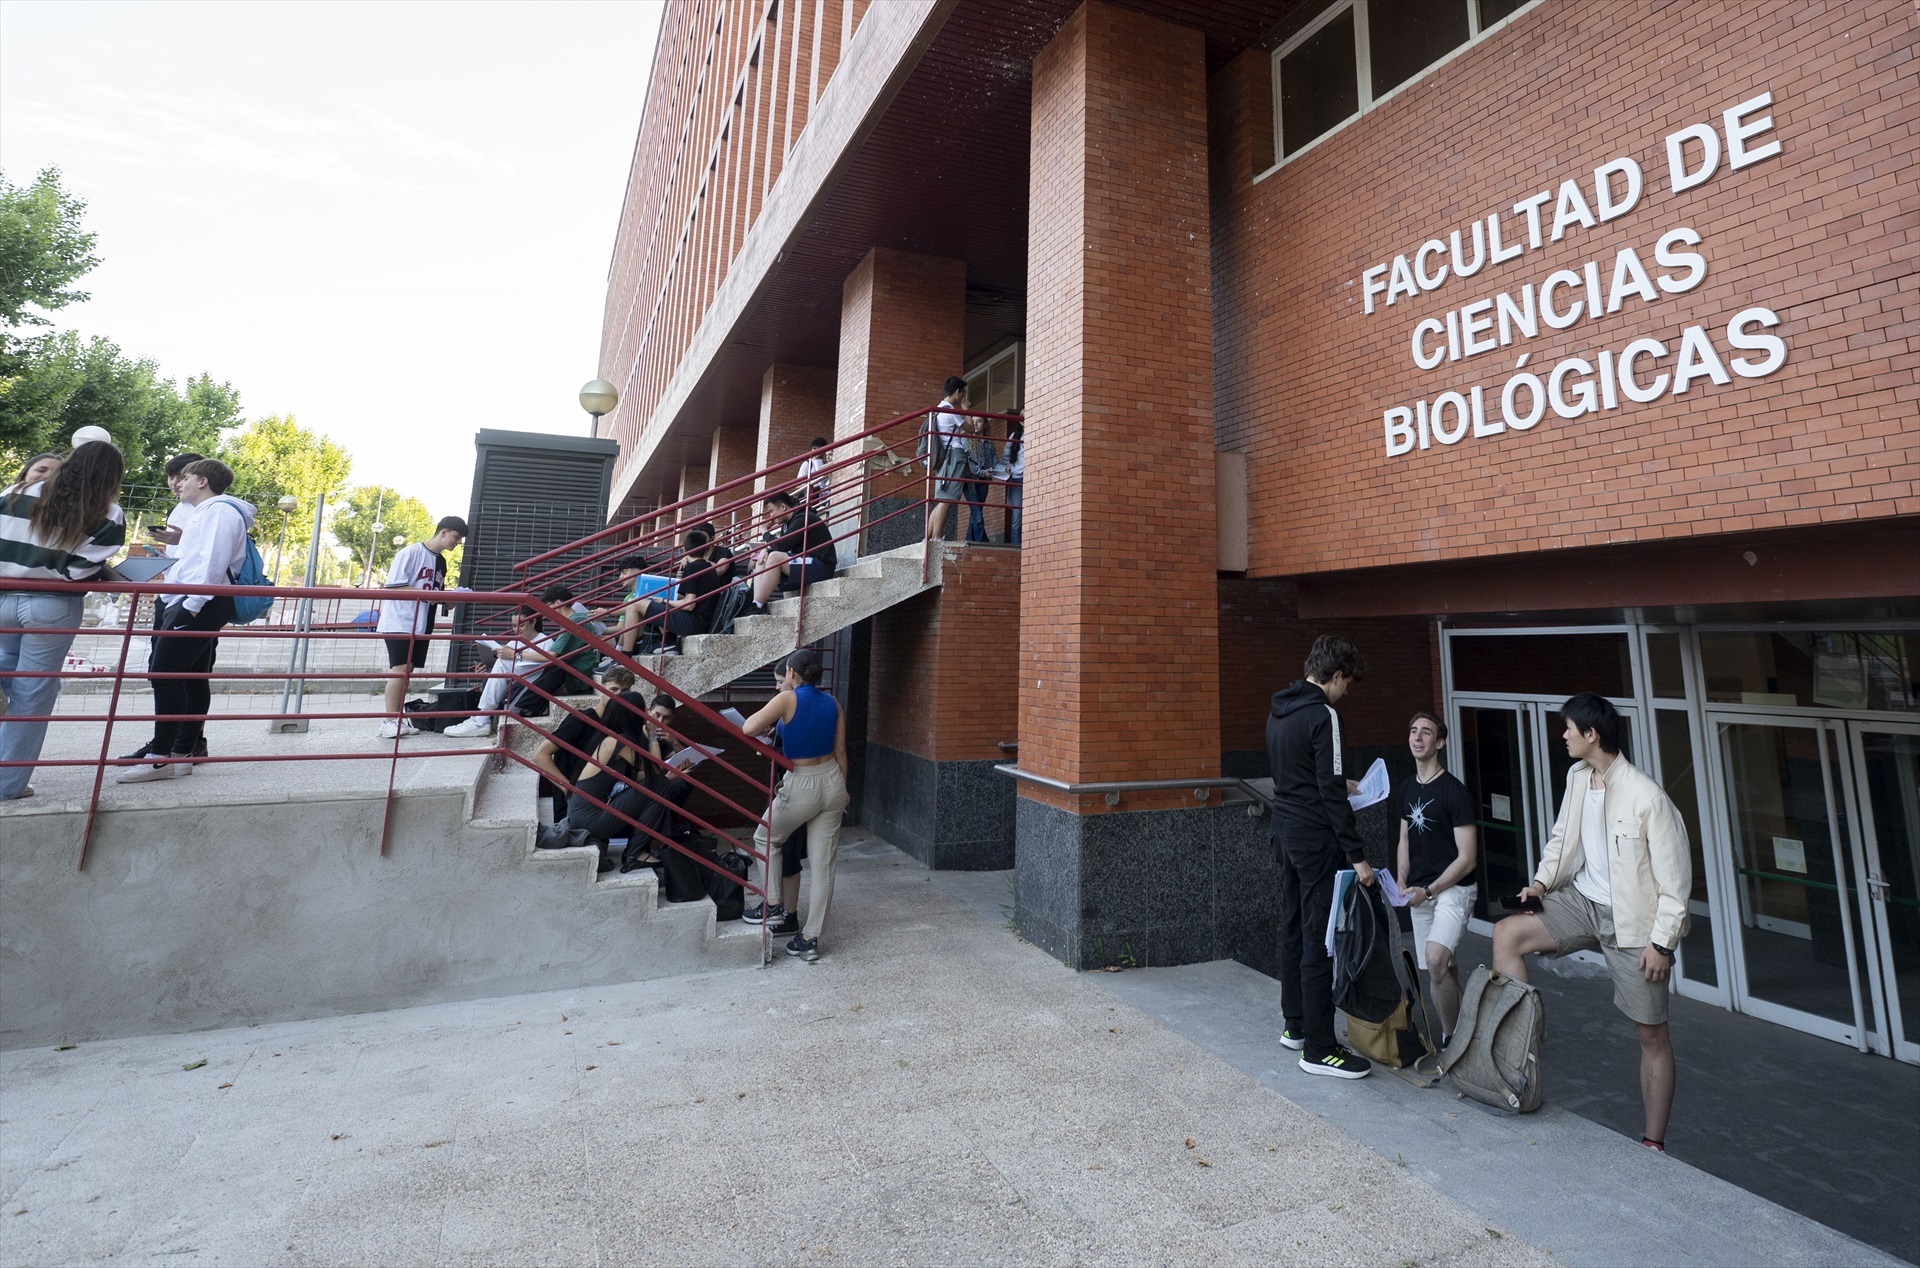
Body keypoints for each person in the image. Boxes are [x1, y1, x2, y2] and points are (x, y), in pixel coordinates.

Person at [1493, 692, 1690, 1154]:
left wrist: (1661, 945)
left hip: (1633, 923)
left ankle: (1652, 1143)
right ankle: (1524, 1046)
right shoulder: (1579, 776)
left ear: (1592, 734)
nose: (1563, 736)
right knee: (1508, 934)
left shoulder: (1647, 796)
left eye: (1568, 729)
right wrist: (1540, 886)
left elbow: (1675, 883)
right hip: (1582, 899)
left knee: (1652, 1034)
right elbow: (1564, 840)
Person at [1267, 634, 1376, 1079]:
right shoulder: (1324, 714)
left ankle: (1295, 1025)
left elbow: (1301, 778)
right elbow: (1329, 796)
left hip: (1284, 831)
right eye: (1346, 683)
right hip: (1316, 841)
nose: (1346, 691)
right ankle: (1319, 1049)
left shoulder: (1280, 712)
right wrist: (1358, 855)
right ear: (1335, 675)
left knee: (1293, 926)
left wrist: (1341, 783)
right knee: (1320, 938)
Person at [0, 442, 126, 800]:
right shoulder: (107, 512)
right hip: (52, 606)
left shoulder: (17, 491)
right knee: (34, 692)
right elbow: (79, 573)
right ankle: (7, 785)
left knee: (7, 666)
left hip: (3, 597)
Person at [117, 459, 254, 782]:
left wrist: (190, 605)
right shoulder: (208, 512)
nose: (179, 484)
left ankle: (160, 756)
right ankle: (179, 754)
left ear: (202, 481)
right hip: (190, 599)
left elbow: (212, 562)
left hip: (198, 602)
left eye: (185, 478)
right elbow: (199, 559)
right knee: (186, 674)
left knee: (165, 673)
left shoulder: (220, 511)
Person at [738, 648, 847, 960]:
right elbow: (841, 752)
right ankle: (810, 939)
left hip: (802, 780)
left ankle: (772, 903)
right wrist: (844, 789)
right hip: (832, 780)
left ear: (791, 674)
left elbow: (748, 727)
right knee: (824, 864)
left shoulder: (787, 699)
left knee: (765, 836)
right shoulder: (833, 702)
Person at [1393, 712, 1478, 1044]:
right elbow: (1403, 839)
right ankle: (1468, 1032)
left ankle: (1450, 1039)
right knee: (1445, 968)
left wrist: (1428, 891)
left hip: (1453, 889)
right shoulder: (1406, 788)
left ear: (1439, 743)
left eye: (1426, 733)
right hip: (1419, 890)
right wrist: (1401, 879)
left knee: (1435, 959)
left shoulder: (1454, 792)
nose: (1417, 737)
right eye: (1413, 731)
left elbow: (1468, 858)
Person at [376, 516, 466, 739]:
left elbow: (435, 594)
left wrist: (447, 600)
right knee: (400, 669)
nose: (458, 543)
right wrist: (435, 596)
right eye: (456, 537)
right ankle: (389, 721)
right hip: (400, 620)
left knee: (408, 671)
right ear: (443, 532)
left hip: (422, 622)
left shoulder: (441, 563)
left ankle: (397, 718)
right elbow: (393, 586)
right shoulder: (410, 552)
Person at [442, 608, 561, 737]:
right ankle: (481, 718)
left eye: (521, 625)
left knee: (503, 661)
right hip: (516, 682)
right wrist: (488, 671)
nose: (517, 629)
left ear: (533, 622)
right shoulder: (516, 641)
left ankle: (481, 719)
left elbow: (549, 660)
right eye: (514, 626)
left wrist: (515, 655)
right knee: (500, 662)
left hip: (534, 680)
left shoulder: (546, 641)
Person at [633, 527, 728, 654]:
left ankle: (626, 654)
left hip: (693, 624)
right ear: (706, 549)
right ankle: (667, 643)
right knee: (659, 604)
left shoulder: (692, 568)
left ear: (684, 550)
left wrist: (664, 600)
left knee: (636, 604)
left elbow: (689, 604)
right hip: (703, 622)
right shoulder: (710, 569)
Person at [748, 491, 834, 612]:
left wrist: (764, 532)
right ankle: (755, 603)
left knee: (774, 557)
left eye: (772, 510)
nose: (771, 515)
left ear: (783, 507)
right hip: (806, 561)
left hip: (821, 565)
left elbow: (782, 545)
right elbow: (783, 545)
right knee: (763, 559)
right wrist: (766, 550)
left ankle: (757, 605)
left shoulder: (803, 518)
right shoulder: (787, 524)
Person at [922, 376, 971, 542]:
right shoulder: (951, 411)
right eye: (962, 392)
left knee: (943, 498)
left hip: (944, 457)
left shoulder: (938, 410)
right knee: (947, 499)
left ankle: (927, 537)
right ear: (957, 392)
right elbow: (971, 429)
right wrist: (966, 409)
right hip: (954, 456)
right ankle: (936, 538)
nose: (963, 396)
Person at [144, 453, 205, 556]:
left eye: (181, 477)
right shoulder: (173, 511)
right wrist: (163, 559)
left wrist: (183, 539)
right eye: (171, 477)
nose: (175, 483)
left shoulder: (214, 508)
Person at [797, 437, 832, 511]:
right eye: (814, 448)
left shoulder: (827, 463)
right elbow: (799, 485)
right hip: (811, 497)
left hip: (825, 497)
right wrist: (812, 489)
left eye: (819, 448)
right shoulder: (807, 464)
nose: (816, 451)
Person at [1004, 421, 1024, 546]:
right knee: (1017, 515)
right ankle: (1015, 545)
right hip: (1017, 478)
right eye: (1021, 415)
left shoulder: (1038, 431)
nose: (1023, 417)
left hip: (1033, 478)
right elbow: (1005, 456)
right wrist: (1011, 470)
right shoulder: (1014, 436)